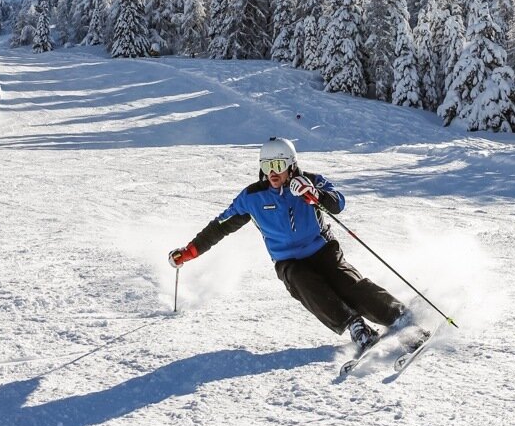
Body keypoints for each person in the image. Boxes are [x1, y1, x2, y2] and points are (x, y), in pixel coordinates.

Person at [168, 137, 407, 351]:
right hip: (288, 261)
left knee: (346, 282)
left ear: (291, 165)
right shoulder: (252, 197)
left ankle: (397, 317)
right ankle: (356, 327)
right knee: (306, 284)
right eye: (267, 166)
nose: (272, 173)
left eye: (278, 166)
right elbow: (220, 226)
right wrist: (190, 251)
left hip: (322, 250)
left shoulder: (310, 182)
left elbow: (338, 203)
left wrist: (315, 195)